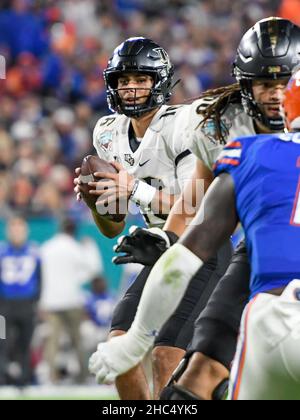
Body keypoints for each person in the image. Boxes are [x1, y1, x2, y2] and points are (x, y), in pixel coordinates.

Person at [89, 17, 300, 399]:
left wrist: (137, 192)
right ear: (244, 83)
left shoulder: (194, 126)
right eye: (264, 84)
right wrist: (164, 235)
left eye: (285, 83)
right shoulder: (218, 123)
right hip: (254, 248)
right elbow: (193, 210)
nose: (275, 95)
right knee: (189, 374)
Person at [75, 36, 227, 400]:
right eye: (123, 81)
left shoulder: (184, 123)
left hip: (202, 248)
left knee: (165, 357)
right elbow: (113, 223)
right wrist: (97, 203)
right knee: (118, 352)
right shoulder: (107, 133)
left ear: (159, 81)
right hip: (160, 249)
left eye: (140, 79)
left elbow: (196, 207)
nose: (130, 88)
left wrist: (135, 190)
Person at [40, 219, 101, 384]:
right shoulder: (74, 247)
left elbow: (40, 275)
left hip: (51, 301)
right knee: (77, 340)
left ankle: (51, 377)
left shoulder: (47, 247)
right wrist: (90, 247)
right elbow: (94, 268)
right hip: (71, 300)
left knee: (52, 341)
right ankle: (82, 376)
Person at [0, 216, 42, 386]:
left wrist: (36, 302)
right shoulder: (2, 252)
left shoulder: (34, 252)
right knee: (2, 340)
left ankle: (24, 379)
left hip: (26, 305)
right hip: (4, 306)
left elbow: (40, 280)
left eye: (20, 229)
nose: (17, 233)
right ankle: (3, 376)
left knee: (25, 342)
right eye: (13, 229)